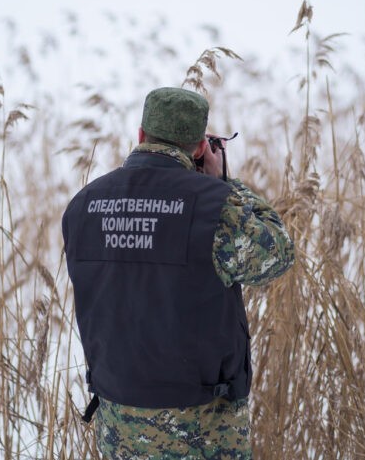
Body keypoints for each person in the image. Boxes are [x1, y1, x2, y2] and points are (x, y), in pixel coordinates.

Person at [62, 87, 294, 459]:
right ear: (201, 147)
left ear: (140, 135)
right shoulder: (214, 206)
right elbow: (277, 253)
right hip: (201, 425)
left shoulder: (83, 205)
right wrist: (225, 184)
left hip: (117, 422)